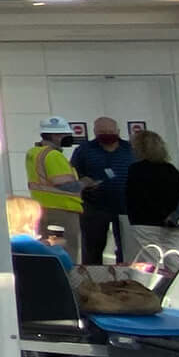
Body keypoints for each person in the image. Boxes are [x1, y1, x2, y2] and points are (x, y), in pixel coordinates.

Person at [69, 115, 134, 268]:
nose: (106, 134)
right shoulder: (84, 150)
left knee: (127, 248)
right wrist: (86, 182)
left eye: (110, 131)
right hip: (94, 206)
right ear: (95, 132)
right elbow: (73, 174)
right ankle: (92, 280)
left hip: (126, 205)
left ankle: (124, 279)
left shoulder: (130, 149)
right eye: (102, 131)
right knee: (92, 248)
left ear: (118, 131)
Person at [125, 131, 179, 271]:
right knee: (175, 260)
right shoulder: (171, 170)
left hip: (145, 222)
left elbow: (137, 196)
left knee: (152, 262)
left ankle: (155, 290)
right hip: (173, 222)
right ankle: (177, 288)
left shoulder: (136, 169)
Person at [25, 120, 84, 249]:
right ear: (55, 136)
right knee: (67, 250)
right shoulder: (53, 155)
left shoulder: (34, 152)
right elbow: (65, 185)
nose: (69, 138)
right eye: (65, 135)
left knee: (47, 249)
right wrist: (86, 183)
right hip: (62, 209)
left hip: (42, 208)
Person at [6, 195, 74, 272]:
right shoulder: (25, 242)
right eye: (38, 221)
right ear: (29, 222)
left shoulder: (5, 241)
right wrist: (56, 246)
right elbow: (65, 263)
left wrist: (45, 243)